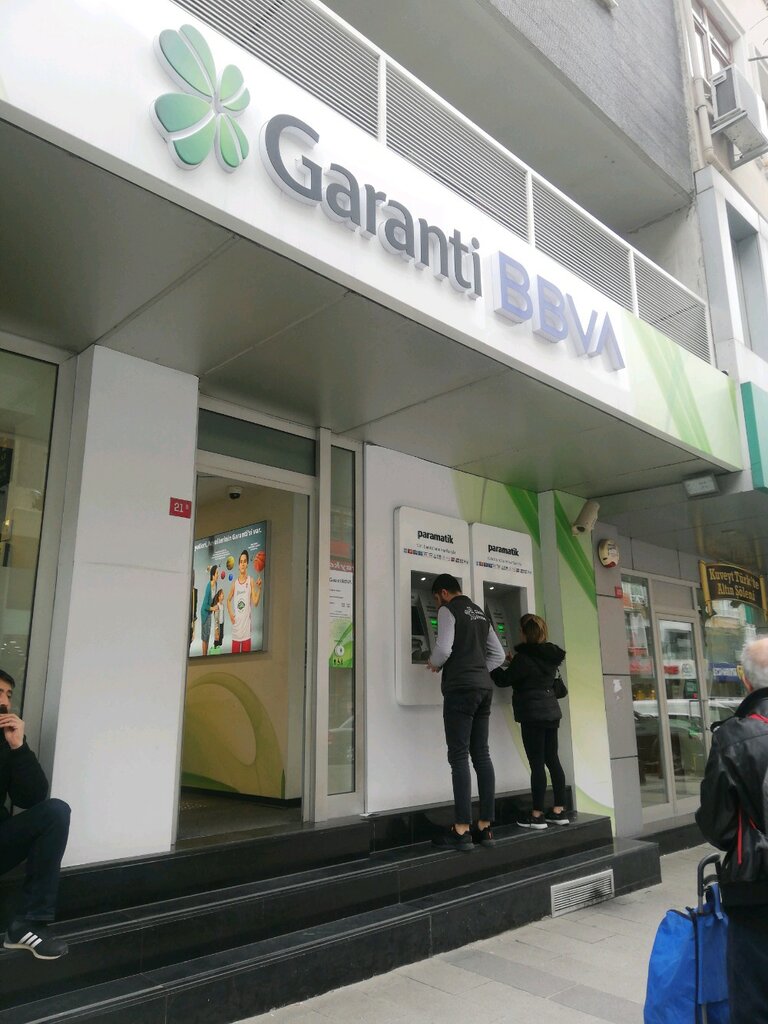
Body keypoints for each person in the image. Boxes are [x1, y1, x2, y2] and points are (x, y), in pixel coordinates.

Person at [696, 637, 768, 1024]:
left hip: (756, 890)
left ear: (745, 680)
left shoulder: (732, 737)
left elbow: (717, 827)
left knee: (754, 1001)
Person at [427, 574, 506, 852]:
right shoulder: (480, 613)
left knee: (459, 756)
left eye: (436, 599)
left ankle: (461, 829)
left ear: (443, 593)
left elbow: (443, 648)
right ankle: (484, 827)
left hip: (460, 689)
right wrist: (478, 669)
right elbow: (498, 655)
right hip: (484, 689)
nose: (437, 604)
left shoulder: (448, 610)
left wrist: (433, 663)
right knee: (481, 754)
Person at [0, 669, 70, 960]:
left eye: (8, 695)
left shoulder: (6, 741)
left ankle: (28, 924)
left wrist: (18, 747)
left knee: (56, 811)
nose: (5, 702)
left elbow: (32, 798)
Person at [491, 613, 569, 828]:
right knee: (552, 760)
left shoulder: (523, 659)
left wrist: (491, 664)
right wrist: (513, 663)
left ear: (525, 633)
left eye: (520, 630)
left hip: (532, 715)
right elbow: (537, 675)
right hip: (551, 713)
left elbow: (503, 680)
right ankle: (559, 810)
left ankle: (537, 815)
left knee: (537, 763)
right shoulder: (550, 656)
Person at [227, 550, 262, 654]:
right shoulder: (234, 584)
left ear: (247, 564)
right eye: (241, 562)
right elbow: (228, 600)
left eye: (245, 561)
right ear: (238, 565)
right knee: (234, 662)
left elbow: (255, 602)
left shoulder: (250, 581)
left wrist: (259, 589)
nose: (242, 564)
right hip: (236, 631)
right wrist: (231, 614)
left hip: (246, 632)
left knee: (247, 662)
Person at [200, 564, 218, 657]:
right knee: (205, 637)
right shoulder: (209, 586)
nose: (218, 575)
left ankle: (205, 655)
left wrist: (215, 606)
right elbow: (205, 605)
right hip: (205, 613)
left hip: (209, 612)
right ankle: (204, 656)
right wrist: (213, 608)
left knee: (207, 635)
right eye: (217, 573)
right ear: (213, 575)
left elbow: (213, 600)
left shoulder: (216, 584)